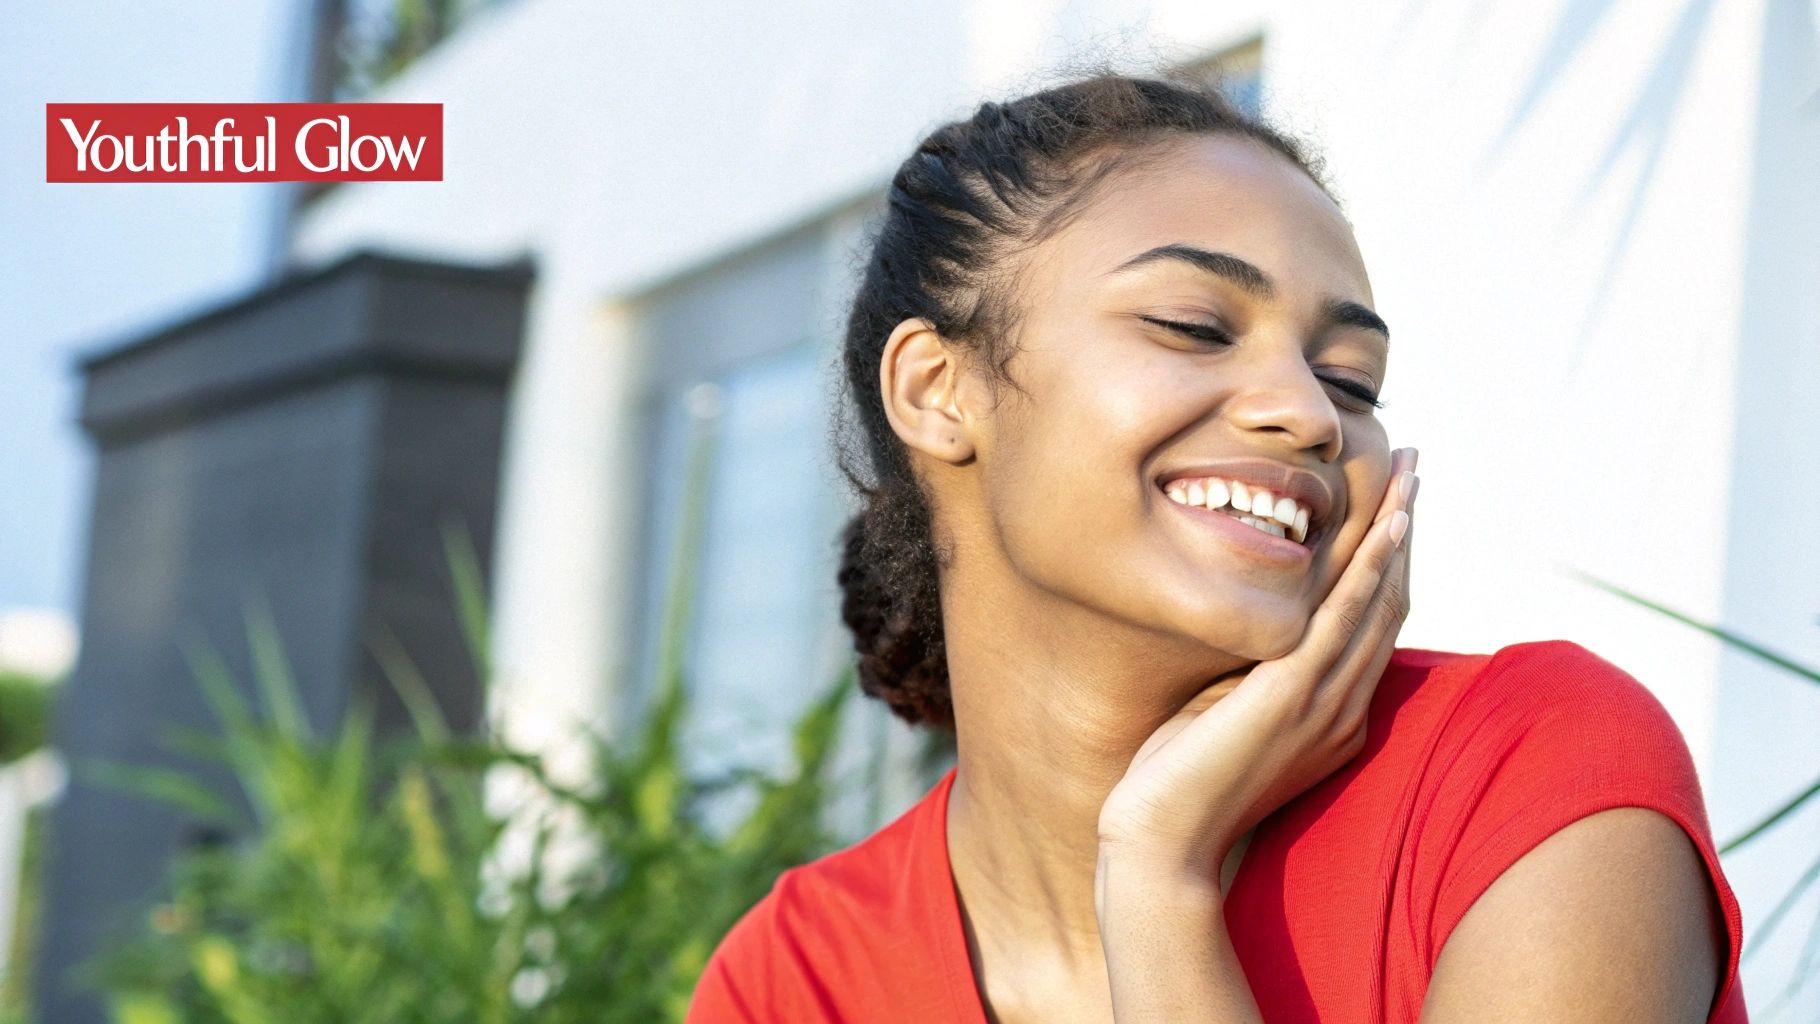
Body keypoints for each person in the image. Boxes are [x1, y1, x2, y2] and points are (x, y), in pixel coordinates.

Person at [685, 65, 1748, 1022]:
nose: (1310, 414)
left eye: (1351, 381)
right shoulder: (793, 981)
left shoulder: (1524, 776)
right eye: (1194, 327)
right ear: (936, 389)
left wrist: (1158, 883)